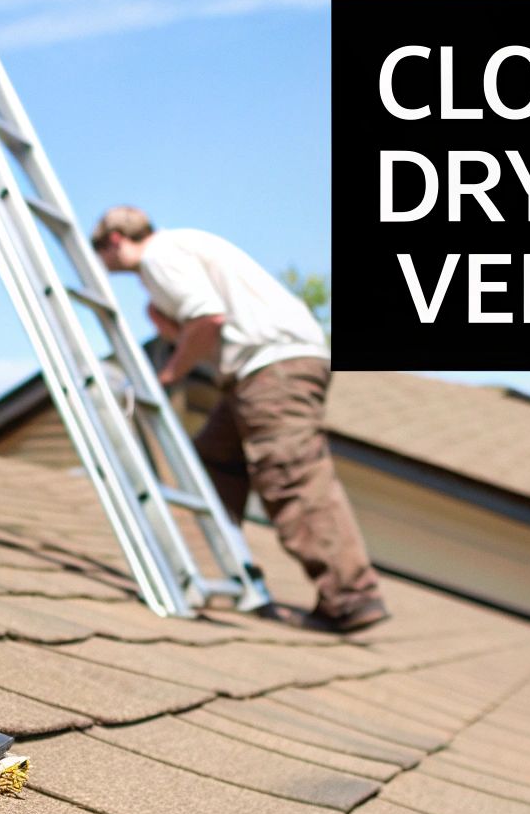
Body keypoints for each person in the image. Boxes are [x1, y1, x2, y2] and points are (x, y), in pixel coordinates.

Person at [91, 205, 388, 632]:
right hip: (263, 370)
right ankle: (214, 572)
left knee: (291, 475)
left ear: (115, 241)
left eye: (101, 254)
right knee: (211, 464)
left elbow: (208, 317)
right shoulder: (185, 245)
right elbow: (208, 321)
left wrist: (170, 373)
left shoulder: (158, 256)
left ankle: (351, 597)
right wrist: (168, 326)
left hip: (271, 370)